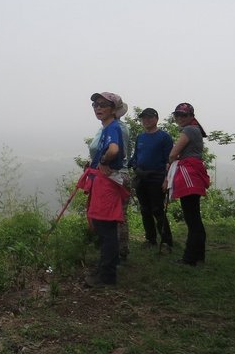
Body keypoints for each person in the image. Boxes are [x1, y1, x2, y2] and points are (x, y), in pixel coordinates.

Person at [78, 92, 130, 287]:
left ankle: (106, 276)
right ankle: (107, 268)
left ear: (113, 109)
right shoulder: (110, 127)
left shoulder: (113, 127)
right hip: (106, 181)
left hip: (108, 182)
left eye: (103, 105)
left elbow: (114, 150)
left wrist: (103, 160)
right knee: (105, 227)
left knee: (106, 228)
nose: (98, 108)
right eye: (95, 105)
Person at [164, 102, 210, 266]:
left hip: (188, 173)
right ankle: (198, 256)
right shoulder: (195, 129)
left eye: (183, 115)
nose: (179, 118)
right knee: (194, 217)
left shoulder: (189, 130)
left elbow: (173, 153)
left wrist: (172, 160)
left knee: (192, 219)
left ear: (191, 116)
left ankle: (189, 258)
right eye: (177, 115)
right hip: (195, 172)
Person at [129, 108, 174, 252]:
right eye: (144, 118)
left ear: (156, 119)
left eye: (149, 117)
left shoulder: (164, 137)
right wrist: (134, 166)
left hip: (157, 177)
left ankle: (166, 241)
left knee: (157, 209)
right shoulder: (140, 137)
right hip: (141, 176)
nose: (146, 120)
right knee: (144, 209)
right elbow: (135, 156)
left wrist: (167, 179)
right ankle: (150, 239)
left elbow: (170, 160)